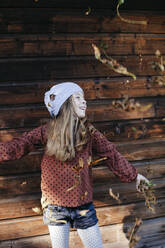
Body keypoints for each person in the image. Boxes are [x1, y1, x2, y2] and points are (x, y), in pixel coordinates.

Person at [0, 82, 148, 248]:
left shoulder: (89, 132)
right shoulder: (47, 131)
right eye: (78, 98)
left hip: (83, 205)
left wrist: (134, 175)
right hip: (55, 206)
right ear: (66, 103)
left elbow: (110, 153)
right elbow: (19, 145)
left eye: (84, 98)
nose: (84, 102)